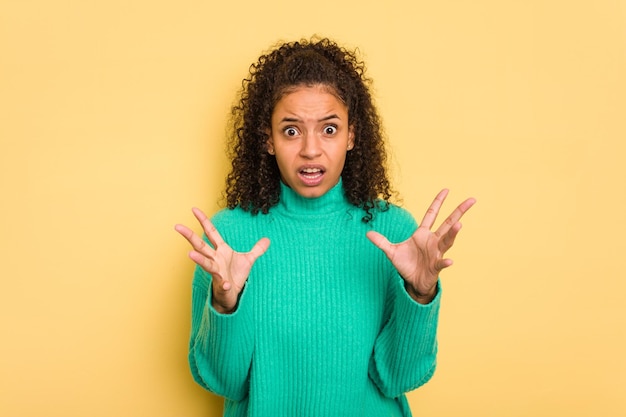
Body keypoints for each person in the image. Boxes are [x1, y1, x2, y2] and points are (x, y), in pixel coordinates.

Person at [175, 37, 475, 417]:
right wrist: (225, 303)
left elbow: (398, 379)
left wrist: (420, 294)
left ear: (352, 135)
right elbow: (223, 382)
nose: (311, 150)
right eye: (291, 130)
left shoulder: (394, 232)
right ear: (267, 139)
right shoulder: (228, 238)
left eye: (329, 129)